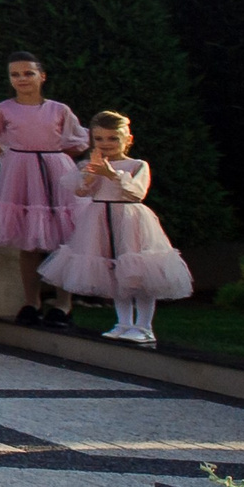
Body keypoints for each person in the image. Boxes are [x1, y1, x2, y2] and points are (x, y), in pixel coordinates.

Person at [39, 110, 192, 346]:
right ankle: (122, 322)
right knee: (113, 271)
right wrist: (90, 177)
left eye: (113, 138)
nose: (106, 144)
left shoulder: (137, 165)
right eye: (99, 139)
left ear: (127, 140)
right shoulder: (90, 165)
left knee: (137, 271)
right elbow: (80, 191)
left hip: (130, 219)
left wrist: (112, 174)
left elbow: (136, 192)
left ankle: (144, 326)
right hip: (99, 219)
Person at [0, 53, 87, 326]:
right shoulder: (3, 109)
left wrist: (54, 159)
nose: (22, 79)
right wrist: (7, 160)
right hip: (19, 173)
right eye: (15, 75)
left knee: (62, 239)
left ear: (42, 76)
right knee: (28, 242)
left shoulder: (59, 110)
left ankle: (63, 303)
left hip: (55, 171)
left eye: (28, 73)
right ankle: (32, 301)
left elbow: (76, 141)